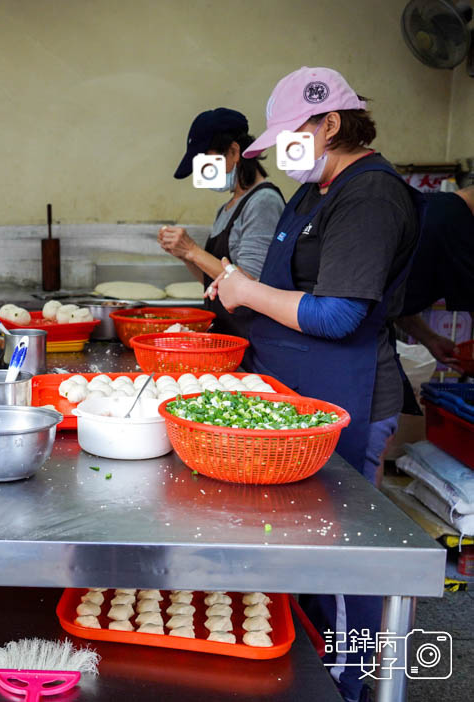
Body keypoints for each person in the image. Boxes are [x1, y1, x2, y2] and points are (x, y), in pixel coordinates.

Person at [207, 67, 422, 702]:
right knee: (308, 558)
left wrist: (249, 292)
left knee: (345, 563)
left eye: (292, 137)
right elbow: (288, 282)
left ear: (331, 123)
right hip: (296, 396)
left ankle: (362, 684)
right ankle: (321, 670)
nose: (280, 153)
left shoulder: (369, 198)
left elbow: (338, 314)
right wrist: (237, 289)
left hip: (346, 399)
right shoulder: (313, 191)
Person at [159, 108, 285, 339]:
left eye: (207, 162)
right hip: (225, 332)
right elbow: (213, 283)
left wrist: (192, 250)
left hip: (250, 337)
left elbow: (249, 284)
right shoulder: (226, 208)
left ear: (234, 151)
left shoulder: (263, 201)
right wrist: (184, 254)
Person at [396, 185, 474, 371]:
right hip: (350, 335)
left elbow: (394, 296)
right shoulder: (458, 224)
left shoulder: (431, 205)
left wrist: (430, 338)